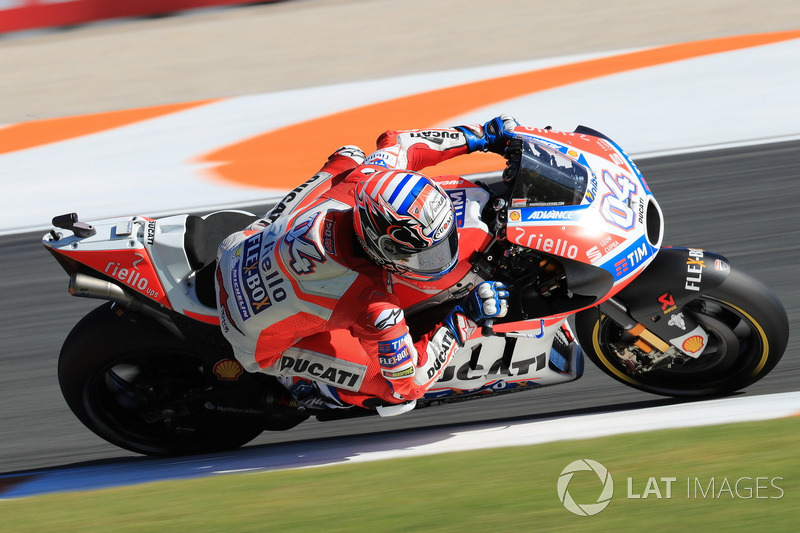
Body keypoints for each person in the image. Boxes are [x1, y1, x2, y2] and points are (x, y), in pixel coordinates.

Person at [215, 116, 519, 411]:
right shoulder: (374, 305)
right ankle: (310, 385)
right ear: (383, 246)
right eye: (423, 254)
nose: (438, 258)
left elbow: (398, 142)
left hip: (237, 249)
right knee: (393, 394)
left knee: (349, 157)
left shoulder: (365, 180)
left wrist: (480, 136)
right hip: (250, 339)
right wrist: (463, 318)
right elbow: (409, 382)